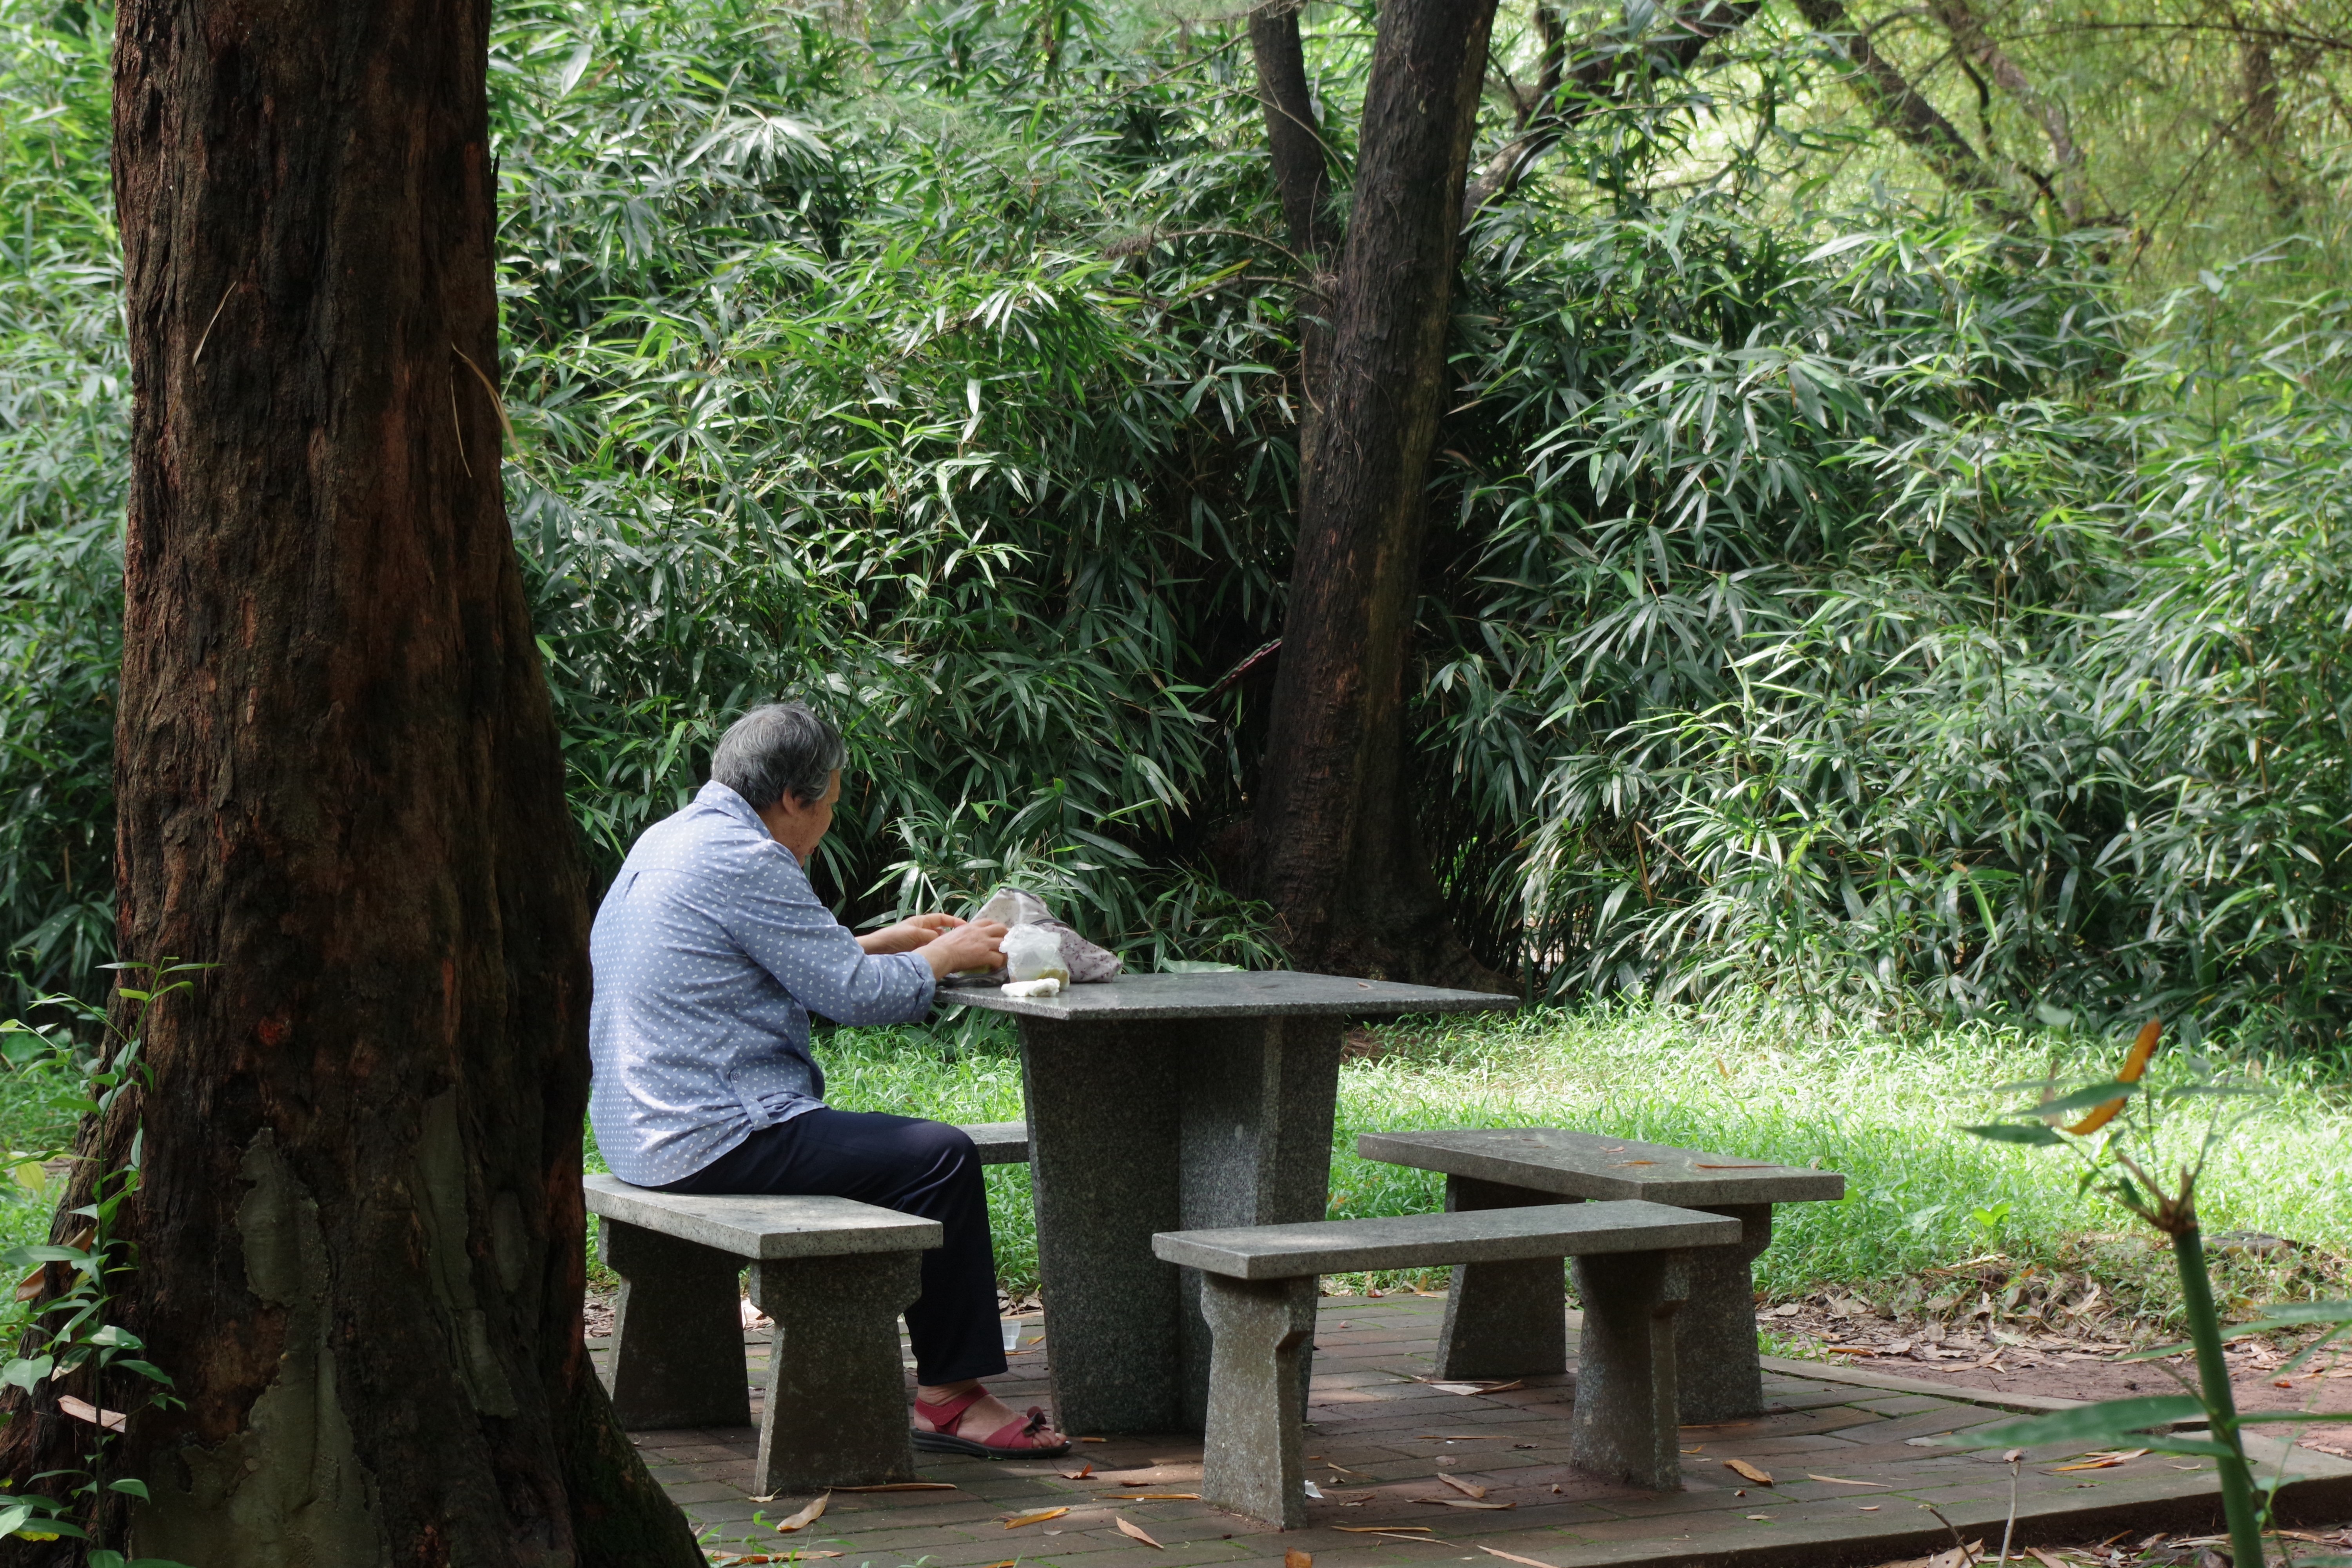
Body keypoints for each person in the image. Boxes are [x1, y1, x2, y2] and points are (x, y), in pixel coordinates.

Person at [588, 701, 1068, 1457]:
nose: (827, 823)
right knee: (940, 1156)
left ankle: (950, 1388)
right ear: (792, 799)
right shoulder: (748, 858)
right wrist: (947, 954)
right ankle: (950, 1399)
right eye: (831, 805)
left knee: (916, 1152)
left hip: (642, 1132)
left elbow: (757, 958)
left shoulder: (675, 838)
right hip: (711, 1134)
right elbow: (857, 996)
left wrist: (881, 941)